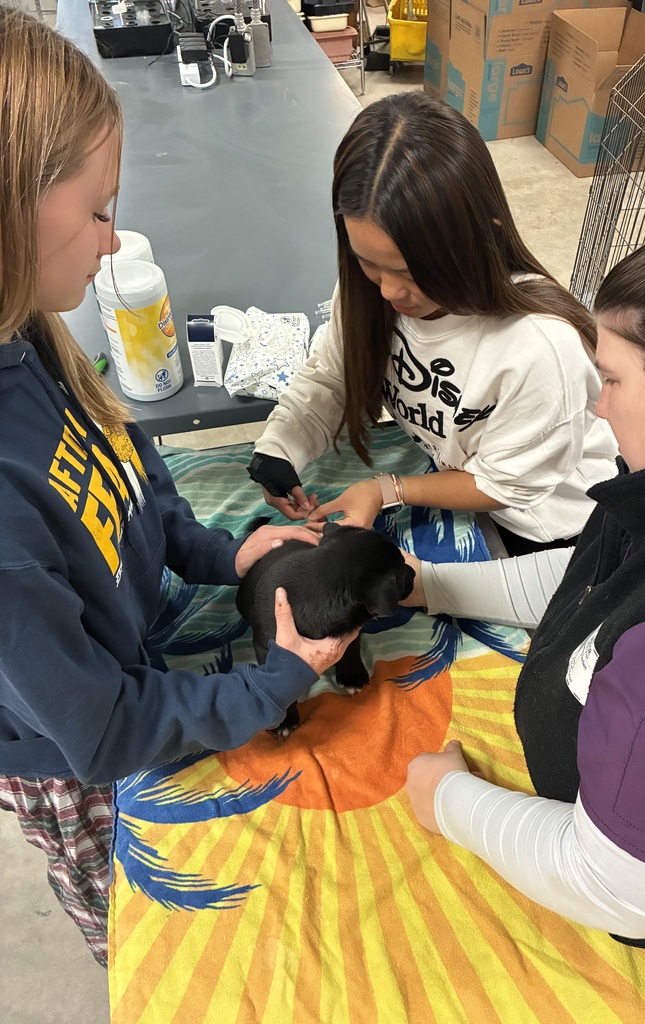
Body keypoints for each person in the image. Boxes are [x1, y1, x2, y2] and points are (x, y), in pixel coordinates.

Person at [0, 6, 357, 969]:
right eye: (99, 210)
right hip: (77, 759)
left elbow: (130, 475)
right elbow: (104, 727)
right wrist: (277, 680)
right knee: (142, 928)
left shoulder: (26, 331)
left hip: (125, 647)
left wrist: (214, 551)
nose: (115, 242)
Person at [405, 208, 645, 1024]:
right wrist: (429, 587)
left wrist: (445, 801)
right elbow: (590, 592)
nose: (599, 407)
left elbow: (620, 885)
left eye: (612, 378)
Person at [248, 92, 617, 557]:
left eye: (410, 273)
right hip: (465, 489)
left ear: (480, 238)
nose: (388, 292)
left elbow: (504, 486)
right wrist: (280, 446)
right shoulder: (372, 290)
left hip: (550, 526)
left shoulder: (539, 348)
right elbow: (333, 373)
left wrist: (388, 489)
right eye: (368, 263)